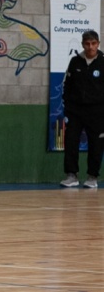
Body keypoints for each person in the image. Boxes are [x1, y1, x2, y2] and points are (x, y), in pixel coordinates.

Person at [60, 30, 104, 188]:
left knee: (96, 144)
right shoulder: (75, 61)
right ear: (83, 44)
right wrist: (68, 105)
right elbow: (66, 84)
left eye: (93, 43)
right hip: (75, 111)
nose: (90, 47)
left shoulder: (103, 62)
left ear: (98, 44)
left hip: (97, 112)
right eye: (87, 44)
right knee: (71, 141)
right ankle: (71, 175)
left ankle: (92, 177)